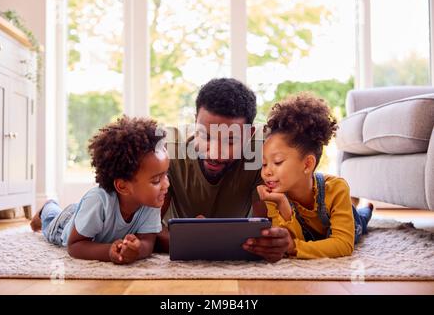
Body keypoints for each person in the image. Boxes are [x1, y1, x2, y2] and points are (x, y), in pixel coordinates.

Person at [156, 78, 294, 262]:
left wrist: (272, 241)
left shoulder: (262, 153)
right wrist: (184, 240)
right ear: (195, 123)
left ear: (249, 134)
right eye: (205, 136)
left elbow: (265, 227)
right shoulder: (168, 151)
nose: (215, 153)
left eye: (230, 141)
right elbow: (149, 226)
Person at [30, 116, 170, 264]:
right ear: (123, 186)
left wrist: (137, 249)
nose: (166, 184)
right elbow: (75, 246)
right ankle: (46, 208)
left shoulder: (151, 202)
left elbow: (148, 243)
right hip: (66, 223)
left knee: (84, 215)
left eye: (166, 175)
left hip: (86, 214)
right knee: (50, 221)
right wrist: (109, 251)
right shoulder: (98, 201)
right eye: (156, 180)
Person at [256, 92, 373, 259]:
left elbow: (343, 245)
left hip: (350, 222)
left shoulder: (336, 188)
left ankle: (365, 211)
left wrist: (294, 247)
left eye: (278, 161)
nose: (267, 172)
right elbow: (291, 239)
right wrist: (282, 203)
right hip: (314, 232)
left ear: (307, 164)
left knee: (360, 221)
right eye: (264, 163)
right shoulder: (274, 195)